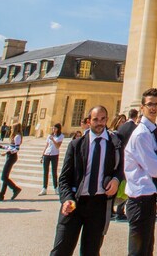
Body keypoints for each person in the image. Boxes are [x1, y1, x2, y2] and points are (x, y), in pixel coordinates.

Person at [50, 106, 125, 256]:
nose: (100, 123)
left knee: (91, 251)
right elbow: (64, 178)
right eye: (96, 119)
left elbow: (121, 168)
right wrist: (66, 199)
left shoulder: (115, 144)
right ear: (89, 121)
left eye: (103, 119)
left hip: (99, 203)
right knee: (61, 249)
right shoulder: (76, 145)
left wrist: (116, 179)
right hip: (75, 202)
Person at [125, 88, 157, 256]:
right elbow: (155, 169)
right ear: (142, 107)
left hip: (148, 198)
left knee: (146, 248)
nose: (153, 108)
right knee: (139, 251)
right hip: (139, 199)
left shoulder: (152, 132)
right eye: (150, 104)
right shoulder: (142, 134)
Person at [0, 123, 23, 201]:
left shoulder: (17, 137)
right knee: (5, 176)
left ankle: (15, 189)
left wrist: (6, 153)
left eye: (12, 128)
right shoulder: (15, 137)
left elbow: (16, 149)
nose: (11, 129)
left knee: (4, 177)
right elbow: (10, 147)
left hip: (12, 157)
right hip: (10, 156)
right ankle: (1, 194)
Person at [41, 123, 65, 195]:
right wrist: (42, 155)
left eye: (55, 128)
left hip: (54, 154)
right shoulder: (49, 136)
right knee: (45, 171)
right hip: (47, 154)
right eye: (53, 128)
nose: (53, 129)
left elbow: (58, 146)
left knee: (54, 172)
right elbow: (47, 145)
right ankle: (44, 188)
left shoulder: (61, 136)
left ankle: (55, 188)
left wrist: (53, 140)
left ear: (58, 129)